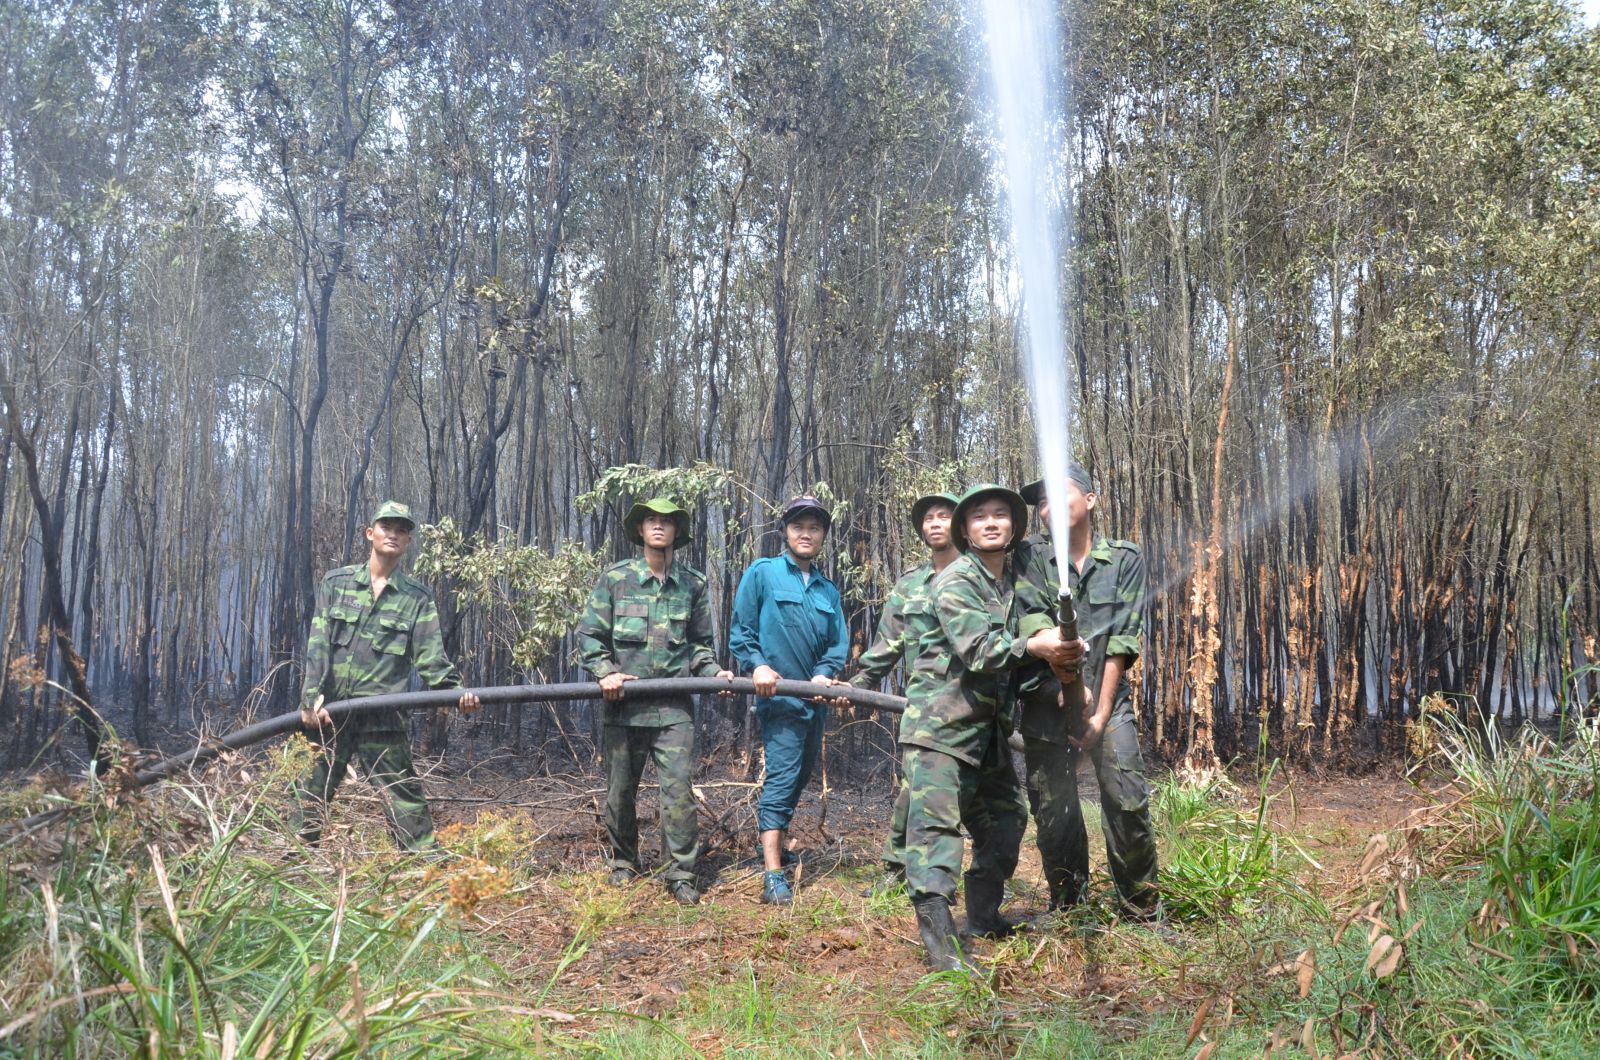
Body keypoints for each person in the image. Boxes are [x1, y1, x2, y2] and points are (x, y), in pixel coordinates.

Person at [898, 484, 1080, 969]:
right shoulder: (957, 580)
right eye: (980, 517)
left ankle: (983, 918)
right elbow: (979, 651)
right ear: (965, 529)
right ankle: (940, 949)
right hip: (941, 729)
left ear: (1015, 527)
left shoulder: (1014, 584)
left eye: (1002, 515)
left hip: (988, 733)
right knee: (936, 834)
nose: (992, 522)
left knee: (1005, 821)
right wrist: (1036, 647)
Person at [295, 501, 481, 851]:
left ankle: (425, 870)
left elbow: (431, 657)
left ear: (408, 542)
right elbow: (318, 646)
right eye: (386, 527)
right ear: (371, 533)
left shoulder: (416, 598)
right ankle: (289, 866)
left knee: (404, 800)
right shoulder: (337, 584)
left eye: (402, 530)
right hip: (330, 716)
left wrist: (457, 693)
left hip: (382, 718)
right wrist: (309, 700)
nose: (393, 534)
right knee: (310, 793)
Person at [575, 497, 734, 906]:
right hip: (624, 709)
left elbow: (700, 646)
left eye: (667, 521)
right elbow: (590, 635)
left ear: (677, 531)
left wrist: (713, 672)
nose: (659, 527)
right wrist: (605, 670)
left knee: (678, 794)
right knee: (619, 792)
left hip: (674, 712)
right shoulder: (615, 580)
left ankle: (680, 873)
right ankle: (624, 864)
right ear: (641, 529)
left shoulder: (693, 584)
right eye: (651, 520)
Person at [1015, 466, 1157, 915]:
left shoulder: (1125, 558)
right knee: (1054, 812)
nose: (1049, 507)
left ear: (1091, 500)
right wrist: (1061, 680)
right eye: (1041, 502)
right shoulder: (1029, 557)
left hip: (1109, 704)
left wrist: (1099, 715)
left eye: (1060, 494)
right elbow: (1032, 620)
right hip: (1044, 701)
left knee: (1126, 799)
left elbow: (1122, 640)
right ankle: (1069, 908)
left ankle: (1141, 909)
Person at [729, 494, 851, 906]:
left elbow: (838, 644)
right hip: (779, 699)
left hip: (813, 699)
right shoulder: (763, 574)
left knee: (800, 776)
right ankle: (772, 875)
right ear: (785, 532)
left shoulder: (827, 590)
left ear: (822, 537)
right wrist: (758, 665)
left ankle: (776, 848)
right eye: (798, 526)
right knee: (782, 778)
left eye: (814, 527)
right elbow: (741, 630)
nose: (806, 533)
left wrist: (825, 673)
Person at [849, 492, 960, 895]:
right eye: (928, 518)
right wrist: (858, 686)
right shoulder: (910, 584)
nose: (934, 523)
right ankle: (899, 871)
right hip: (925, 708)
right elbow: (887, 645)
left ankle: (982, 883)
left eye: (943, 516)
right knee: (915, 788)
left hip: (973, 707)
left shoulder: (980, 575)